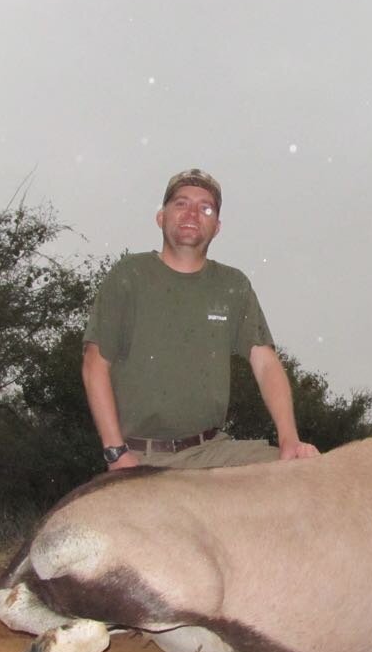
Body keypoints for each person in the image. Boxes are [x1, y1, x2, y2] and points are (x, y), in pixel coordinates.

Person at [82, 168, 319, 471]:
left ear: (217, 227)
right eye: (181, 204)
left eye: (205, 208)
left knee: (305, 473)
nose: (192, 213)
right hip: (142, 457)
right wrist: (116, 453)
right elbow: (95, 363)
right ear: (161, 217)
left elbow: (265, 362)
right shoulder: (129, 275)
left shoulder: (233, 285)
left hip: (212, 452)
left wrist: (289, 440)